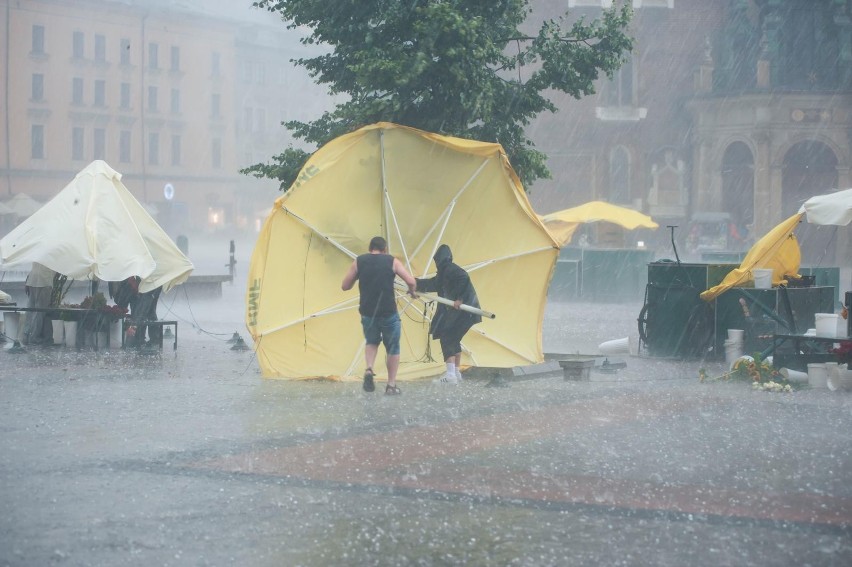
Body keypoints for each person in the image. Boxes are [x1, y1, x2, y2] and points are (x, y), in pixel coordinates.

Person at [341, 236, 417, 395]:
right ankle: (391, 386)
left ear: (370, 249)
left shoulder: (359, 261)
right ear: (384, 250)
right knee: (393, 348)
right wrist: (411, 290)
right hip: (388, 311)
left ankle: (369, 369)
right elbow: (411, 280)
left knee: (372, 341)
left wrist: (359, 276)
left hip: (368, 312)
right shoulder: (392, 261)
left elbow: (345, 286)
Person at [416, 244, 482, 384]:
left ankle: (450, 375)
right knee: (453, 339)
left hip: (463, 310)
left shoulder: (450, 269)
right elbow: (432, 284)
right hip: (467, 313)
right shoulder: (444, 273)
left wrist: (460, 298)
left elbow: (464, 277)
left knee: (447, 337)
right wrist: (413, 283)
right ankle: (456, 373)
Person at [22, 262, 57, 345]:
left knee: (30, 310)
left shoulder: (38, 249)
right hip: (44, 280)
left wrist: (27, 281)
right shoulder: (54, 250)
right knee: (40, 311)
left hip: (32, 279)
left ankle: (26, 336)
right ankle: (34, 338)